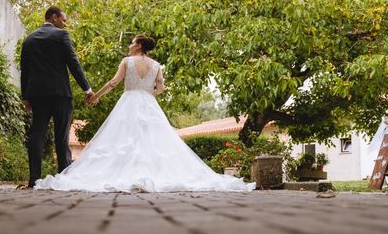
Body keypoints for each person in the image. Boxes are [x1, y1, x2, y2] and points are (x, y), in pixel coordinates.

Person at [35, 34, 255, 192]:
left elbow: (114, 82)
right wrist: (148, 95)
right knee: (154, 141)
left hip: (128, 101)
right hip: (148, 103)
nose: (130, 46)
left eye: (132, 43)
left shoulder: (127, 61)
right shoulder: (156, 64)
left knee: (122, 138)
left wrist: (97, 95)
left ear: (139, 45)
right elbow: (160, 88)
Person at [20, 6, 93, 188]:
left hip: (37, 95)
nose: (65, 24)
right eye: (64, 20)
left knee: (37, 134)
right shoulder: (61, 36)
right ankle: (64, 178)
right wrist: (87, 89)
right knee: (61, 136)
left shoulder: (29, 40)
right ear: (54, 17)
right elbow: (73, 64)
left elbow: (25, 71)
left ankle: (34, 179)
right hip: (60, 94)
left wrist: (26, 97)